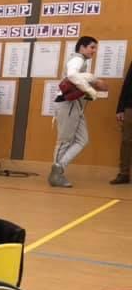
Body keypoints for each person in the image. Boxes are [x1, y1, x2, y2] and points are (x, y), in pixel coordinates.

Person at [49, 35, 108, 188]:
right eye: (92, 47)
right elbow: (72, 75)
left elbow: (76, 80)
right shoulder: (77, 59)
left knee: (83, 140)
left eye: (95, 48)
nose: (94, 51)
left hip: (75, 106)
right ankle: (55, 174)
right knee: (64, 141)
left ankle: (59, 168)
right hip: (67, 105)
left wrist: (91, 85)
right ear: (82, 47)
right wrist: (91, 86)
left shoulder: (81, 62)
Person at [110, 59, 132, 185]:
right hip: (130, 107)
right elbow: (127, 85)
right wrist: (120, 109)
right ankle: (124, 174)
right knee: (126, 140)